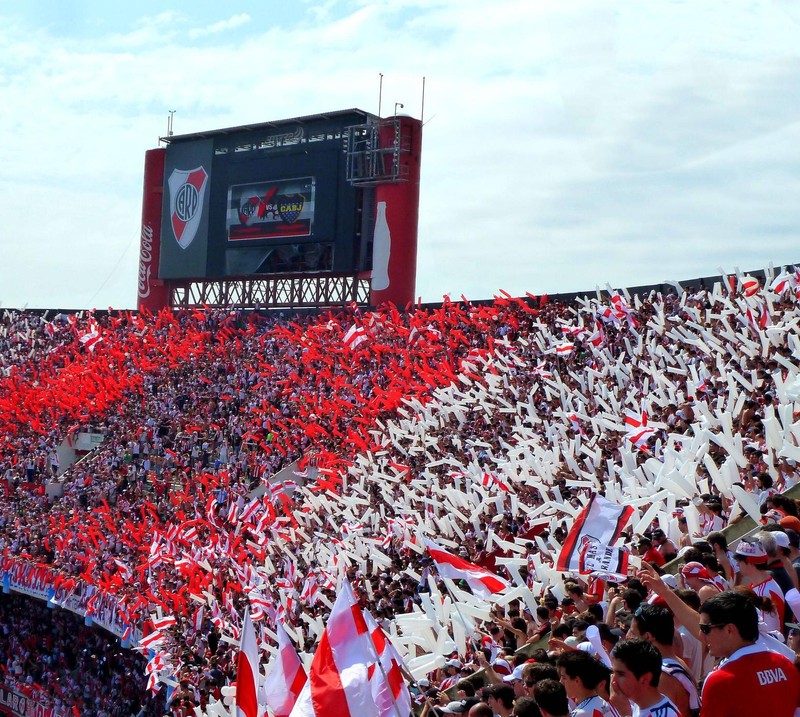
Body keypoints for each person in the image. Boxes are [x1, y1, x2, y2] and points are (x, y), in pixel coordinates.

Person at [699, 590, 800, 717]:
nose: (700, 635)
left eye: (705, 629)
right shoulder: (786, 665)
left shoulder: (719, 681)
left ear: (730, 630)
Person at [627, 604, 700, 717]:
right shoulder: (677, 663)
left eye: (633, 634)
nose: (629, 638)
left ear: (647, 637)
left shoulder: (662, 676)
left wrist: (622, 710)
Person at [610, 639, 680, 717]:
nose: (613, 681)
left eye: (621, 674)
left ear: (645, 679)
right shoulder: (638, 705)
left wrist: (625, 713)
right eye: (613, 673)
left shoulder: (666, 714)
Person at [556, 650, 618, 717]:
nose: (560, 682)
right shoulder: (603, 702)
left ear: (577, 680)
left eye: (564, 678)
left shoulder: (580, 714)